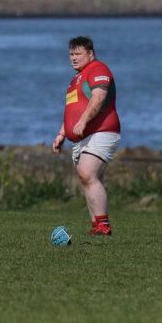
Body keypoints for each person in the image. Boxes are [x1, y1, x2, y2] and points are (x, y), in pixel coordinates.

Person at [52, 36, 120, 236]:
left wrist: (83, 122)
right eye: (71, 54)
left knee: (87, 173)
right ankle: (96, 226)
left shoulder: (98, 69)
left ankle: (103, 226)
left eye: (78, 54)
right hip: (83, 137)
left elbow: (98, 98)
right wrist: (62, 133)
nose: (73, 58)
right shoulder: (77, 78)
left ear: (91, 53)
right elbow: (73, 109)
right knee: (89, 179)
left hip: (102, 131)